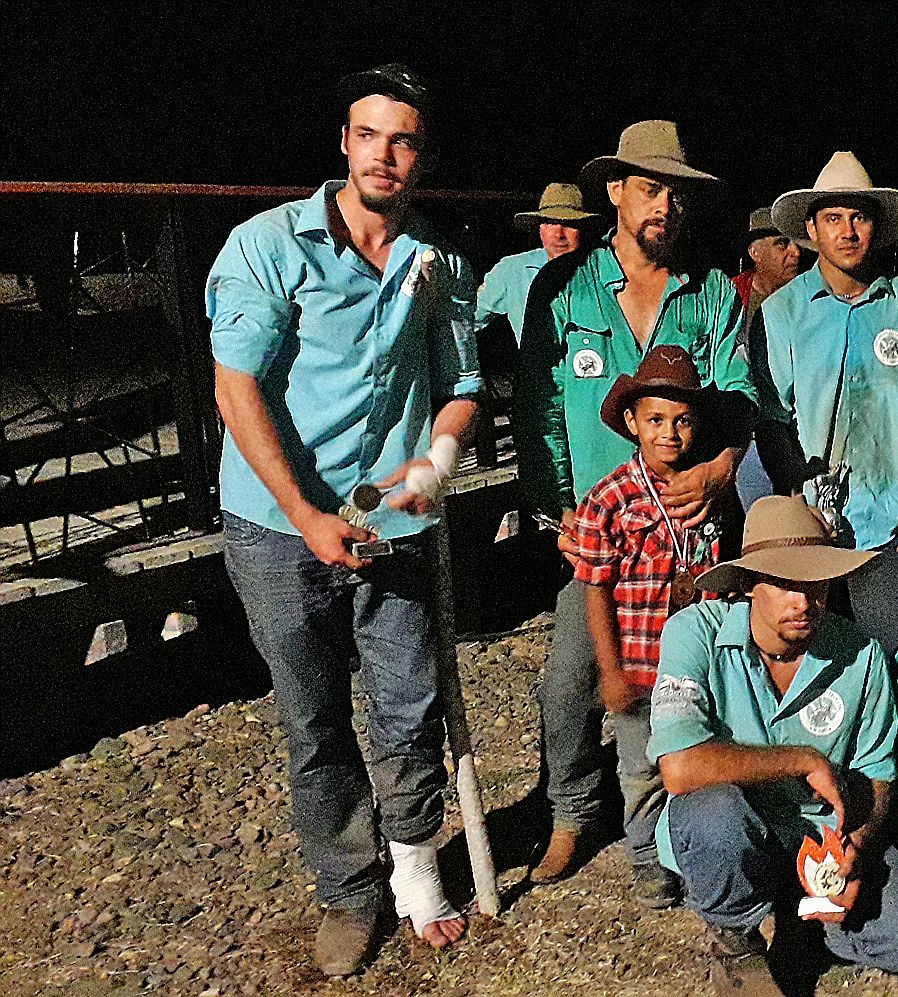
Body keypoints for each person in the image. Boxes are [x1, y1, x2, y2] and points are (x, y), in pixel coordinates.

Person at [206, 63, 478, 974]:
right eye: (368, 135)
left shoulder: (440, 262)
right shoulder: (268, 246)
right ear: (344, 143)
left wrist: (438, 462)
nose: (383, 155)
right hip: (278, 524)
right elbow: (235, 389)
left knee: (409, 701)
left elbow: (461, 384)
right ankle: (349, 889)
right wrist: (306, 513)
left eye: (402, 141)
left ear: (422, 158)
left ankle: (416, 870)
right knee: (313, 715)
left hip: (392, 523)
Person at [514, 120, 753, 883]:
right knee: (569, 681)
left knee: (693, 674)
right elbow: (538, 406)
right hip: (598, 529)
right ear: (615, 190)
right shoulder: (564, 289)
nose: (665, 206)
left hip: (687, 527)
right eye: (651, 188)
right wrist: (557, 509)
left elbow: (739, 394)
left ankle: (691, 821)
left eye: (677, 194)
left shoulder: (709, 293)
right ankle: (571, 813)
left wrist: (720, 470)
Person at [650, 496, 898, 996]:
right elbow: (679, 767)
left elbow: (878, 775)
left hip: (821, 836)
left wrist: (857, 848)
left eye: (816, 583)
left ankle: (801, 919)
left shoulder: (861, 655)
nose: (803, 602)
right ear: (748, 585)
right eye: (785, 584)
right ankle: (735, 940)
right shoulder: (693, 633)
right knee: (715, 813)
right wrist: (801, 759)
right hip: (737, 825)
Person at [567, 345, 750, 907]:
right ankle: (646, 854)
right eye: (655, 420)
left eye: (683, 421)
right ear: (631, 422)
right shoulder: (610, 499)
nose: (670, 434)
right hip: (641, 664)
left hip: (700, 659)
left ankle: (697, 849)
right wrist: (610, 671)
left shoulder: (711, 491)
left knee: (704, 752)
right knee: (641, 768)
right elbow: (595, 588)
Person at [753, 151, 898, 656]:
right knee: (809, 655)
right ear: (811, 229)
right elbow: (773, 419)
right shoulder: (781, 313)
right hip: (809, 523)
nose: (847, 231)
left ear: (876, 226)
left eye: (859, 217)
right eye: (833, 218)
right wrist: (796, 498)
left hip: (891, 518)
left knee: (883, 652)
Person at [732, 206, 805, 511]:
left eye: (796, 243)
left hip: (797, 435)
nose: (796, 253)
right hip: (745, 439)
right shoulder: (730, 298)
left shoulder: (809, 300)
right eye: (782, 243)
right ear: (755, 252)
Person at [474, 182, 596, 349]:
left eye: (569, 223)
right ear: (540, 228)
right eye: (550, 223)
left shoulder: (604, 270)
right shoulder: (513, 270)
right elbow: (465, 319)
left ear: (584, 228)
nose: (559, 234)